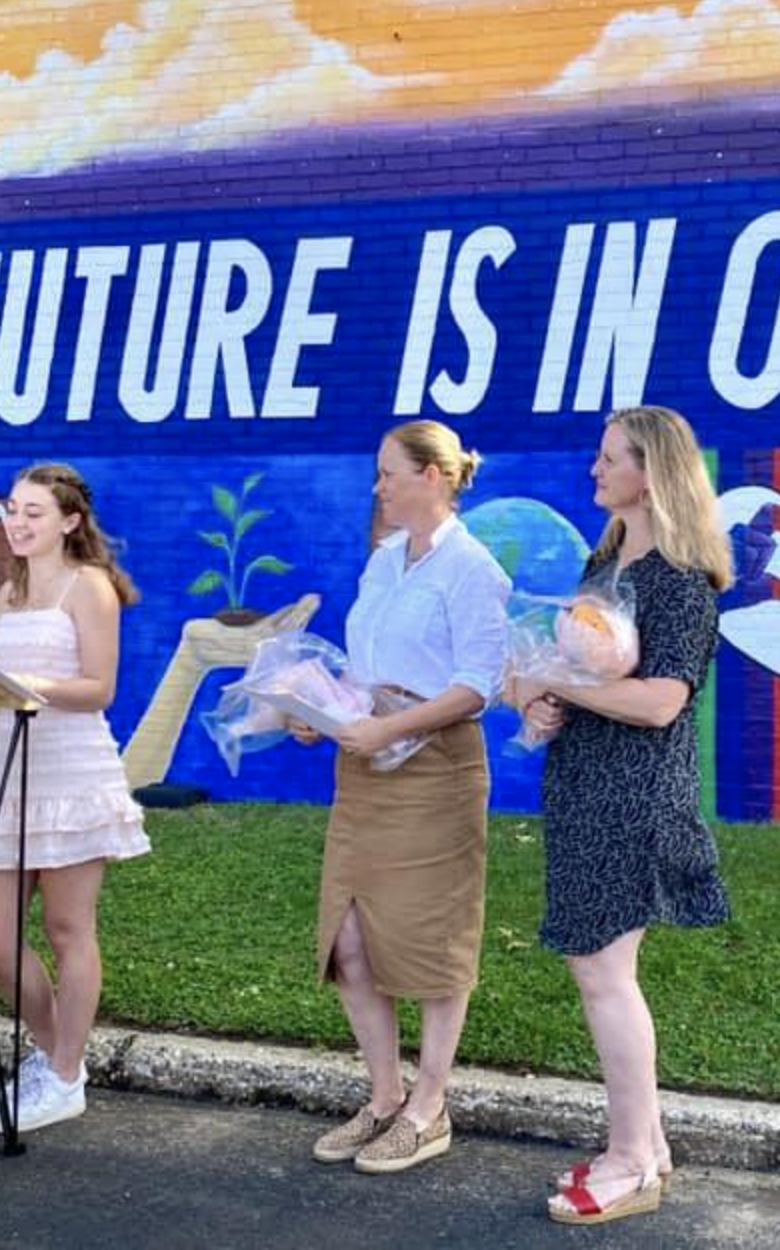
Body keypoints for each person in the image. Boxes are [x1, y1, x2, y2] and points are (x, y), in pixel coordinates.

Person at [513, 405, 734, 1226]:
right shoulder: (606, 568)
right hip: (585, 788)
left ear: (652, 473)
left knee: (605, 975)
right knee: (601, 974)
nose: (594, 469)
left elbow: (660, 703)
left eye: (609, 458)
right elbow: (600, 690)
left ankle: (632, 1159)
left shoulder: (677, 579)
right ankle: (647, 1144)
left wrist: (560, 684)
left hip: (636, 799)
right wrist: (546, 706)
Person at [293, 420, 511, 1174]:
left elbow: (478, 685)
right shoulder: (385, 560)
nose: (378, 486)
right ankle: (384, 1098)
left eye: (389, 472)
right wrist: (321, 709)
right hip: (365, 769)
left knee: (434, 938)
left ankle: (430, 1105)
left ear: (434, 477)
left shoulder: (474, 569)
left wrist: (392, 730)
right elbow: (366, 665)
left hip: (436, 771)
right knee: (349, 937)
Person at [0, 462, 148, 1134]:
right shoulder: (11, 592)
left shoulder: (87, 585)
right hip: (12, 774)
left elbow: (98, 688)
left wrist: (26, 682)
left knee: (69, 931)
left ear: (70, 521)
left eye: (34, 512)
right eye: (12, 508)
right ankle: (53, 1053)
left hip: (71, 776)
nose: (18, 521)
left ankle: (65, 1076)